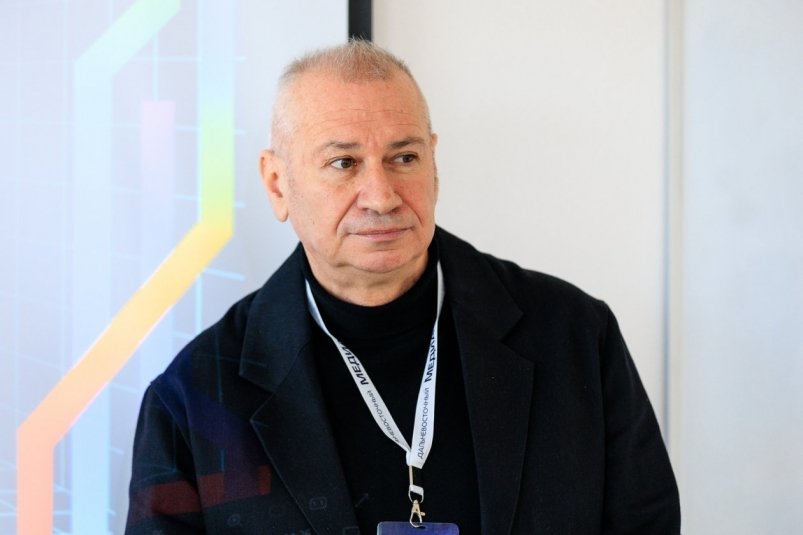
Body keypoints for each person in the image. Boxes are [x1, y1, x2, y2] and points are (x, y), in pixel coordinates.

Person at [126, 40, 680, 534]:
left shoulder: (576, 337)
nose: (381, 195)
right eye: (343, 162)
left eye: (404, 157)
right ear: (277, 184)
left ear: (434, 164)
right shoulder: (194, 401)